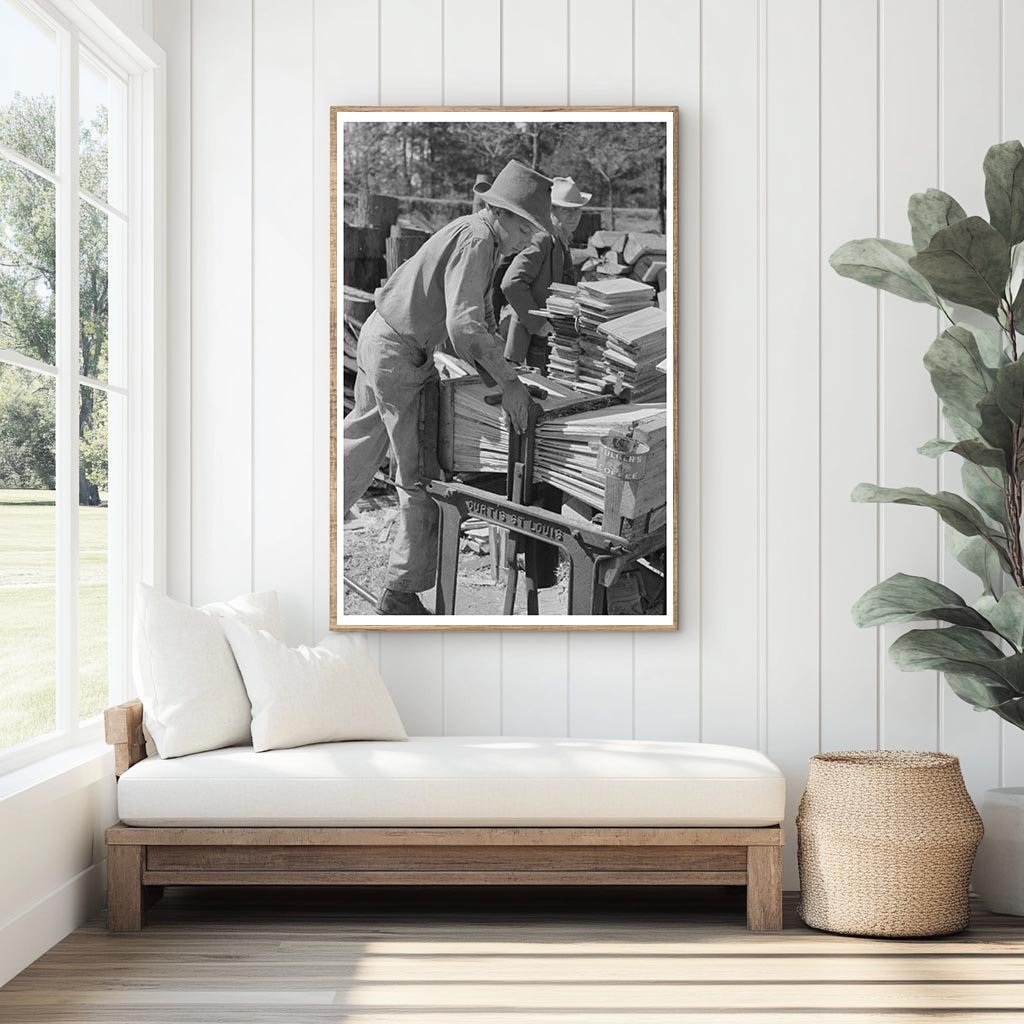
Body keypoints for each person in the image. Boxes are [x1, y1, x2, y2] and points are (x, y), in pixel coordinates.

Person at [342, 160, 555, 615]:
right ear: (504, 214)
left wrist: (499, 370)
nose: (527, 240)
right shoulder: (478, 239)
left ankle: (295, 519)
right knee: (421, 477)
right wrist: (511, 386)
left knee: (360, 443)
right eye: (526, 228)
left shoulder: (477, 234)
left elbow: (475, 319)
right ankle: (399, 594)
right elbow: (464, 327)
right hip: (398, 353)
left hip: (384, 338)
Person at [501, 176, 593, 372]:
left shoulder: (562, 240)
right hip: (536, 339)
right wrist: (538, 325)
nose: (575, 215)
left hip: (550, 336)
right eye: (567, 209)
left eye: (577, 209)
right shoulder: (543, 239)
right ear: (552, 210)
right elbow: (511, 283)